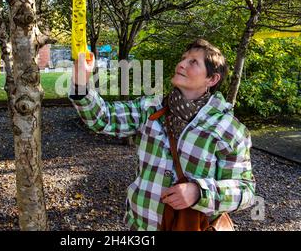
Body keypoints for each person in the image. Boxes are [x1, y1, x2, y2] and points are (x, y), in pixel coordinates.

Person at [69, 39, 256, 231]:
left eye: (193, 62)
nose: (181, 64)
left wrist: (199, 193)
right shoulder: (150, 109)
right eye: (183, 59)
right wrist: (80, 84)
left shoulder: (229, 129)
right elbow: (103, 118)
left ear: (212, 79)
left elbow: (245, 191)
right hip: (141, 226)